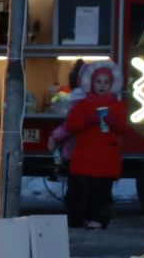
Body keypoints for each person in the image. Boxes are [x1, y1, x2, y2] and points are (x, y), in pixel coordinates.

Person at [53, 60, 126, 230]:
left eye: (106, 82)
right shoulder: (83, 105)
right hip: (83, 158)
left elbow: (123, 128)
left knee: (101, 192)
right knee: (80, 191)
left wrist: (113, 122)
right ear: (92, 83)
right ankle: (79, 218)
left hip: (106, 158)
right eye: (98, 81)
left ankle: (98, 219)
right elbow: (71, 125)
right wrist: (87, 120)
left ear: (111, 84)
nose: (102, 86)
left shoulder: (117, 106)